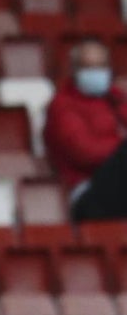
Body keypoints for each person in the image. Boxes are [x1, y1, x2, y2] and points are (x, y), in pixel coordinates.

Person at [44, 37, 127, 221]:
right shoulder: (62, 106)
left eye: (101, 66)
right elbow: (84, 151)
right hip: (88, 192)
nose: (96, 72)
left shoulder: (116, 99)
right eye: (88, 66)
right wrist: (121, 146)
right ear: (74, 70)